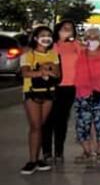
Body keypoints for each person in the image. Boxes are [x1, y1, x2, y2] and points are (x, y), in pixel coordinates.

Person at [20, 26, 60, 175]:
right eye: (43, 35)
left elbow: (57, 74)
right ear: (35, 37)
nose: (46, 38)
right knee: (35, 126)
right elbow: (25, 73)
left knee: (40, 126)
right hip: (32, 93)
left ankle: (37, 158)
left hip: (48, 93)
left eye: (49, 35)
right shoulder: (28, 54)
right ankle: (32, 160)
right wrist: (43, 70)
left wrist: (44, 70)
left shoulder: (53, 54)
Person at [74, 27, 100, 165]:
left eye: (95, 37)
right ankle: (87, 151)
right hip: (83, 93)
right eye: (89, 37)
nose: (92, 40)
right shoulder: (80, 53)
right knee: (82, 124)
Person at [43, 20, 82, 164]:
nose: (67, 31)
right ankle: (46, 151)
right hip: (52, 86)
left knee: (62, 120)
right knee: (48, 119)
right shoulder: (52, 45)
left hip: (70, 87)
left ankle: (59, 151)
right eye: (64, 28)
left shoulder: (76, 45)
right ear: (58, 30)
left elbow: (84, 59)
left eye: (70, 29)